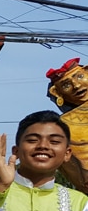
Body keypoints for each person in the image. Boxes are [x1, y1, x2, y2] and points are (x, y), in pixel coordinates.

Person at [45, 58, 88, 191]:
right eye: (66, 85)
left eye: (80, 77)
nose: (76, 86)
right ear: (57, 93)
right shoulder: (63, 127)